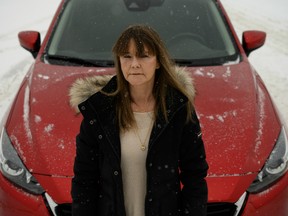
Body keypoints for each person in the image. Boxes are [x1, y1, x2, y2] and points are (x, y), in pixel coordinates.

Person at [70, 24, 209, 216]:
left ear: (158, 61)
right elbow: (84, 180)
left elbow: (195, 177)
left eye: (143, 55)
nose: (134, 63)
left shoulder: (178, 109)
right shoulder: (99, 112)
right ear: (119, 61)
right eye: (127, 56)